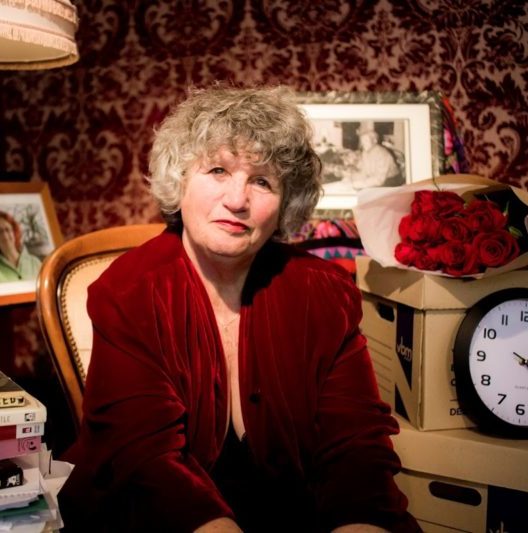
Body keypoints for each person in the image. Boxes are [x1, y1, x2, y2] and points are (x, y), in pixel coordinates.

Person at [58, 86, 421, 533]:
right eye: (217, 170)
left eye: (262, 181)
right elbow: (145, 460)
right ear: (180, 179)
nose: (237, 200)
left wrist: (361, 525)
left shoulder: (324, 294)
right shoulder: (129, 290)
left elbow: (356, 448)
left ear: (286, 203)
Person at [349, 122, 403, 188]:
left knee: (369, 192)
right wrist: (352, 178)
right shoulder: (365, 152)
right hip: (378, 177)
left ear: (374, 141)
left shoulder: (382, 154)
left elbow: (379, 179)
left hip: (392, 180)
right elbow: (365, 171)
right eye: (362, 141)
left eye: (366, 141)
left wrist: (361, 184)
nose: (363, 144)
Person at [0, 211, 41, 283]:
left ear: (14, 232)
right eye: (0, 232)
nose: (5, 235)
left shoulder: (35, 263)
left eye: (7, 229)